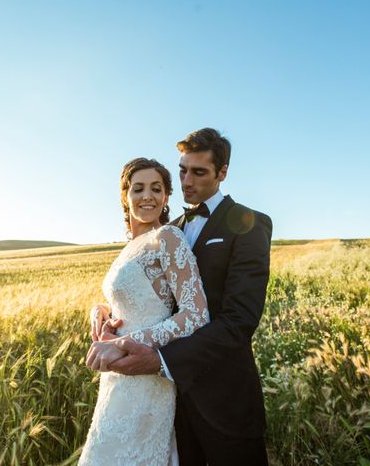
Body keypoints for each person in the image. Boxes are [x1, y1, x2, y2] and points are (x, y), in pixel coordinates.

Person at [94, 128, 273, 465]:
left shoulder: (251, 225)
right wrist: (104, 310)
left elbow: (239, 321)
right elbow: (151, 295)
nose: (187, 181)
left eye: (199, 172)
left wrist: (162, 361)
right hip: (168, 403)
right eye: (182, 170)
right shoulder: (166, 229)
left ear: (222, 173)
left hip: (223, 398)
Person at [79, 158, 210, 466]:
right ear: (126, 195)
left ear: (166, 197)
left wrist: (125, 344)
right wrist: (100, 310)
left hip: (147, 371)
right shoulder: (130, 246)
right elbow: (135, 300)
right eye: (138, 189)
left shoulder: (166, 237)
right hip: (116, 377)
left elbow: (195, 314)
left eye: (156, 188)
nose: (147, 196)